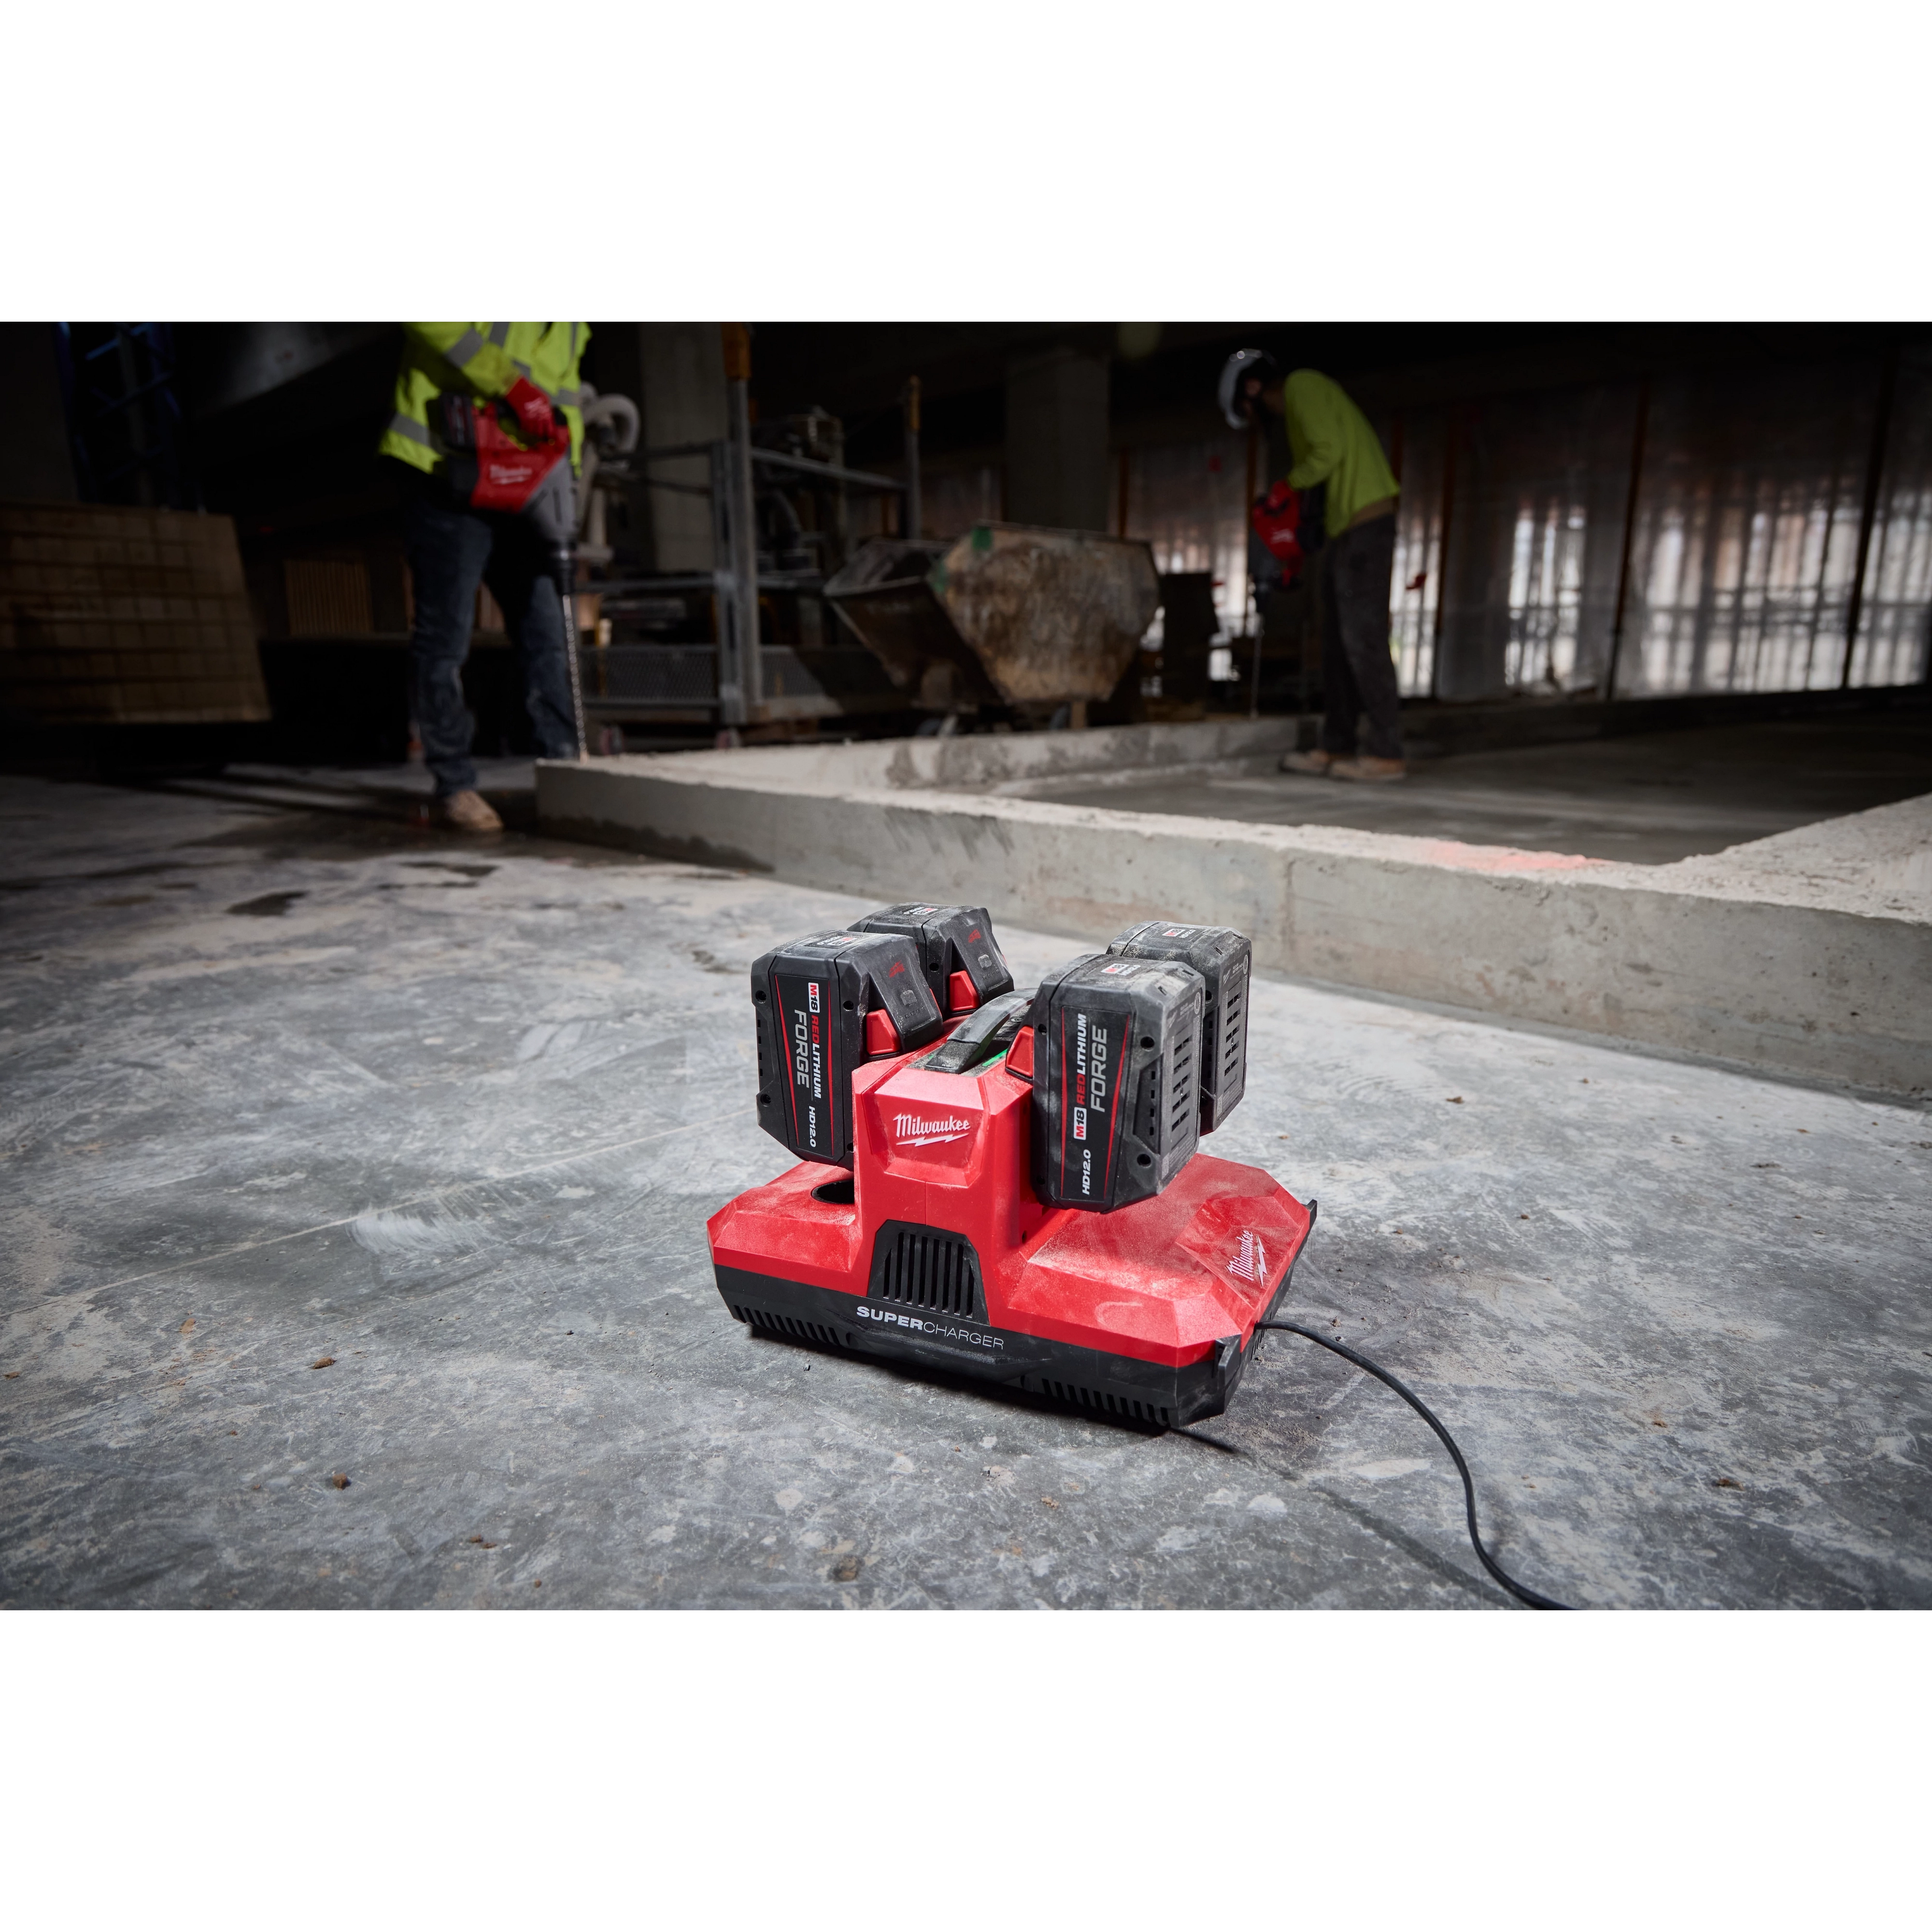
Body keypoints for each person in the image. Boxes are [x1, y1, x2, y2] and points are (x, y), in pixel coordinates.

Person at [379, 322, 591, 831]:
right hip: (449, 469)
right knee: (445, 638)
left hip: (527, 482)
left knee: (548, 633)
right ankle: (455, 783)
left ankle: (566, 768)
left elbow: (564, 399)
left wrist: (568, 476)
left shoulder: (574, 326)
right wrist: (512, 387)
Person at [1220, 351, 1405, 781]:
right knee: (1336, 644)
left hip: (1366, 522)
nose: (1258, 417)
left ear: (1252, 388)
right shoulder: (1304, 405)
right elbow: (1326, 465)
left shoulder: (1302, 385)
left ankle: (1386, 751)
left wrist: (1286, 489)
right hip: (1345, 527)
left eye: (1249, 410)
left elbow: (1329, 451)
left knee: (1364, 638)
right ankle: (1336, 744)